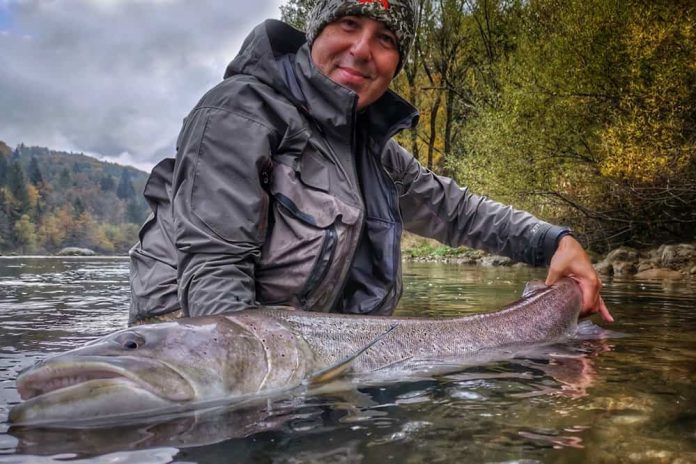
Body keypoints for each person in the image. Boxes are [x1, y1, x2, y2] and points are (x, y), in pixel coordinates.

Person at [128, 0, 613, 325]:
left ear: (396, 63)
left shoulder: (372, 149)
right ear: (316, 31)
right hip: (182, 342)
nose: (361, 50)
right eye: (348, 24)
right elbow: (214, 272)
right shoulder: (238, 112)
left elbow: (458, 212)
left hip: (296, 348)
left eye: (385, 39)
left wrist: (554, 242)